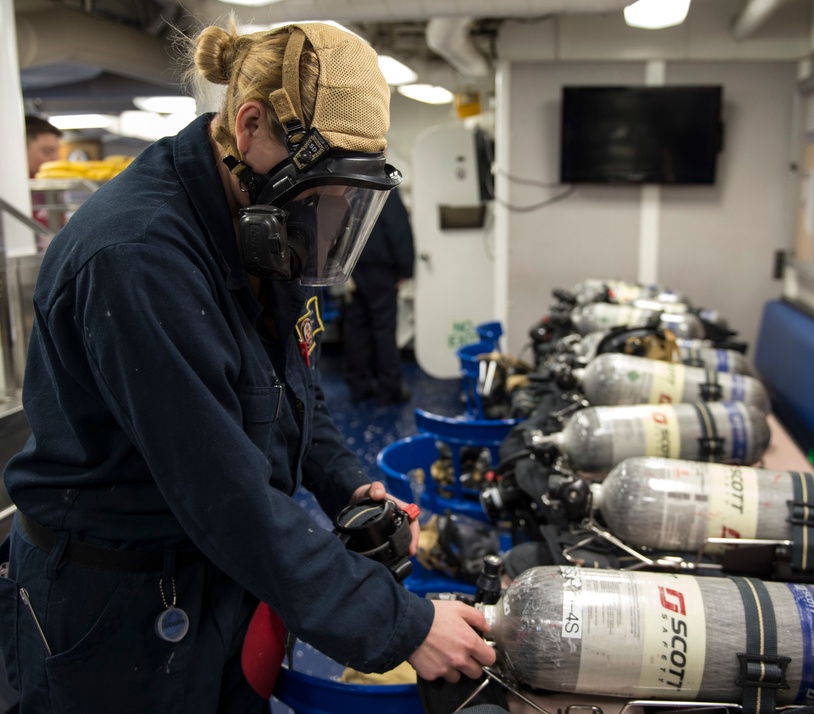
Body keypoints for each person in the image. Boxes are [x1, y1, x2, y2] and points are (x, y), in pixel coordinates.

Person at [1, 21, 494, 714]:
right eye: (321, 197)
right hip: (113, 608)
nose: (328, 221)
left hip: (214, 576)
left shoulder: (267, 219)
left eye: (347, 204)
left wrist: (345, 484)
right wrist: (403, 625)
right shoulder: (139, 259)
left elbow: (295, 384)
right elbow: (224, 494)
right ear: (252, 124)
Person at [344, 188, 415, 405]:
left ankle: (359, 386)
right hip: (380, 268)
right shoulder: (384, 186)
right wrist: (405, 269)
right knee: (384, 328)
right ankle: (389, 389)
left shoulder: (346, 183)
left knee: (356, 327)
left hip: (351, 266)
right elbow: (397, 229)